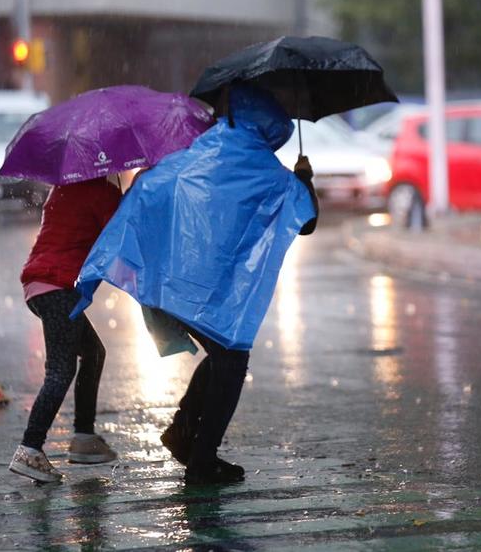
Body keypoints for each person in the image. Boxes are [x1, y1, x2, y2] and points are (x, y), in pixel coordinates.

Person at [73, 85, 319, 484]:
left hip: (171, 284)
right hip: (205, 294)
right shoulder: (262, 165)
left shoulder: (200, 149)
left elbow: (153, 188)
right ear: (272, 123)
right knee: (231, 358)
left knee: (224, 355)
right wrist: (304, 178)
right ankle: (201, 457)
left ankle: (185, 432)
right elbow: (306, 221)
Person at [8, 175, 123, 483]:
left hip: (40, 285)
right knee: (60, 370)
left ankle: (84, 437)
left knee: (93, 352)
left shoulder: (63, 188)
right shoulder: (101, 192)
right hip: (57, 286)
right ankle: (30, 448)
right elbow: (119, 237)